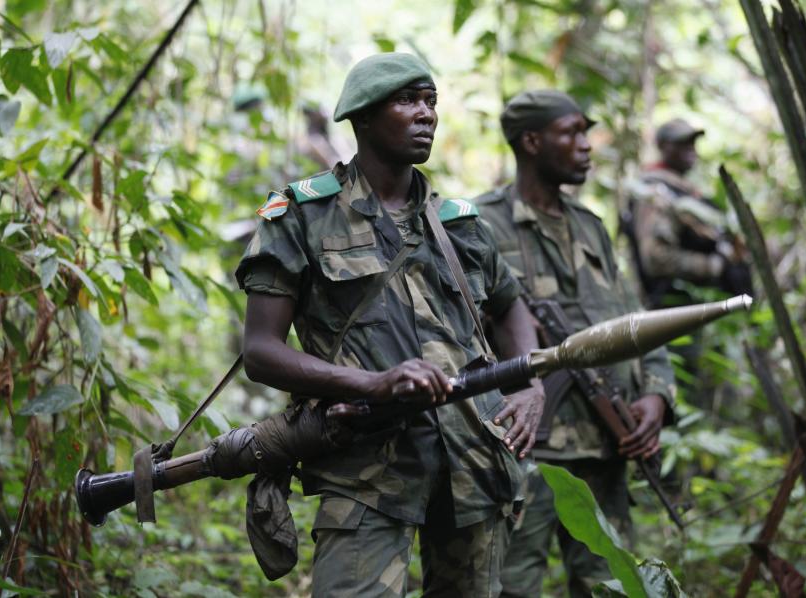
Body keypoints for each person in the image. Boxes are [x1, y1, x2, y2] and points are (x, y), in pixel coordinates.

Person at [235, 53, 544, 597]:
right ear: (362, 118)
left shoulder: (460, 225)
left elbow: (511, 303)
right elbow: (261, 351)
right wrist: (370, 383)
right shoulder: (300, 215)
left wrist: (530, 385)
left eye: (431, 101)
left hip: (472, 463)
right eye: (408, 101)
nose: (426, 114)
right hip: (366, 472)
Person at [474, 90, 676, 597]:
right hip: (521, 454)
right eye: (572, 133)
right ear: (532, 141)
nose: (586, 146)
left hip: (605, 449)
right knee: (511, 588)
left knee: (610, 587)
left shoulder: (591, 228)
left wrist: (655, 395)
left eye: (586, 133)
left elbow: (636, 321)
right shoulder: (478, 224)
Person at [626, 118, 752, 309]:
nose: (691, 148)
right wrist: (714, 266)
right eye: (681, 143)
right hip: (680, 309)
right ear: (663, 147)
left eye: (692, 142)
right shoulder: (655, 192)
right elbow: (656, 259)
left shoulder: (684, 189)